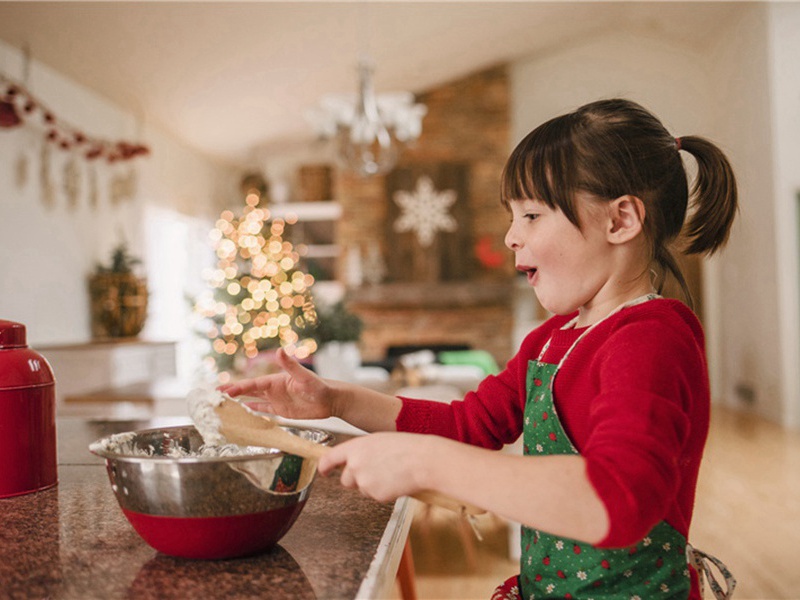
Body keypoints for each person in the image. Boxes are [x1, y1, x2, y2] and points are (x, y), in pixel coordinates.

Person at [220, 98, 737, 600]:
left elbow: (615, 500)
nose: (511, 236)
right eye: (511, 216)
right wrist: (337, 401)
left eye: (532, 215)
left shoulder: (650, 337)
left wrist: (425, 463)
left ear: (620, 220)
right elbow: (470, 424)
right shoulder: (551, 339)